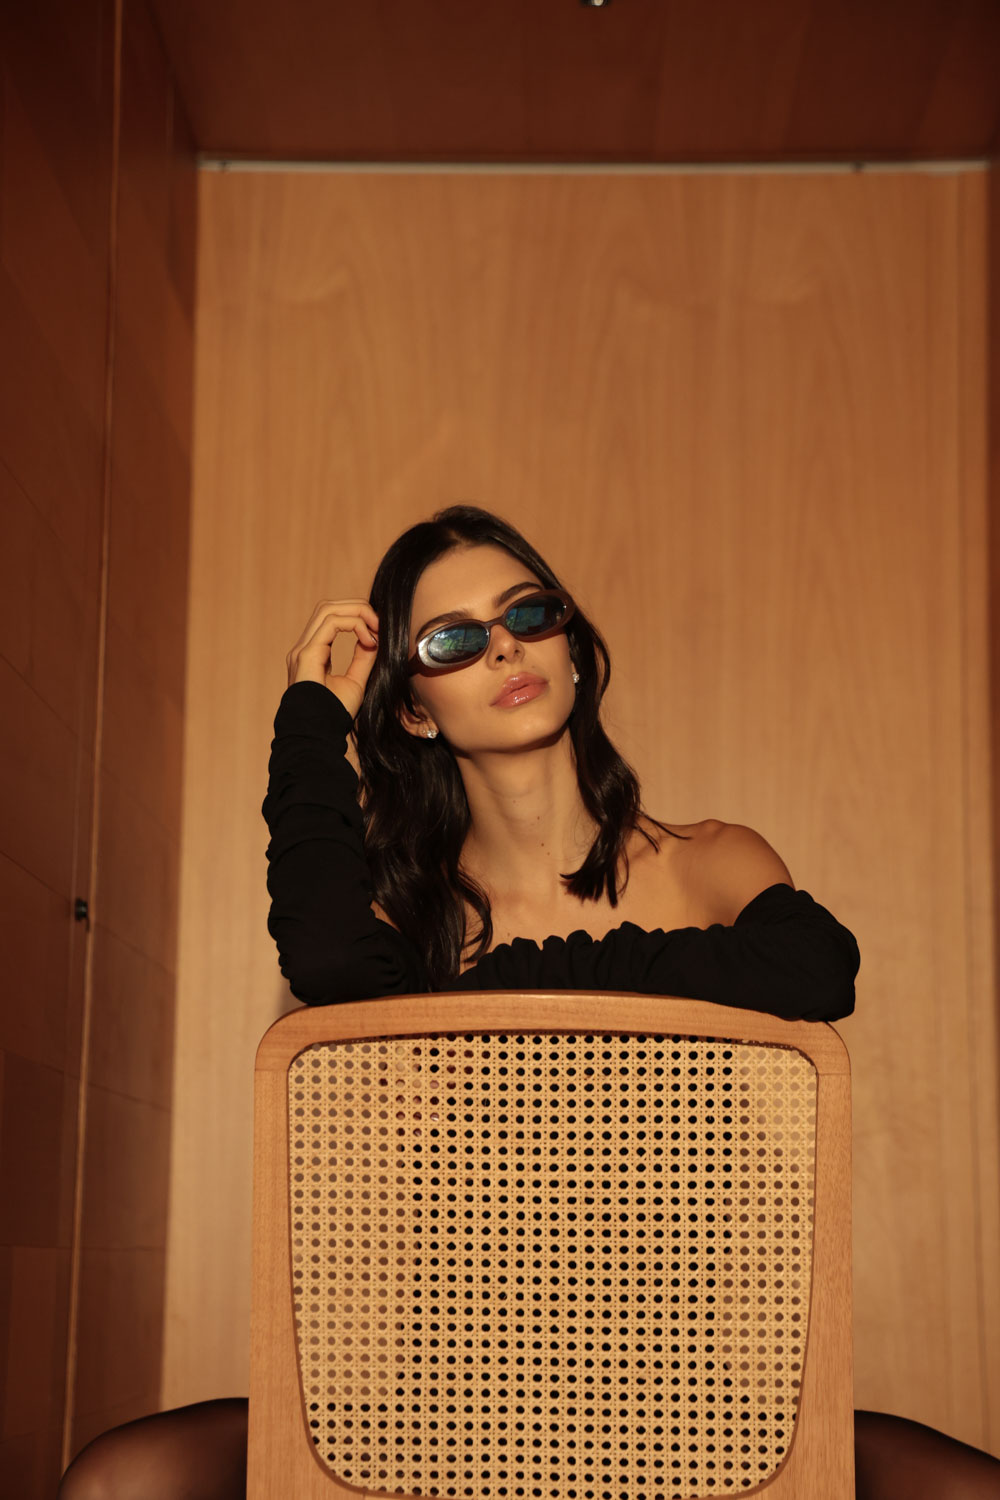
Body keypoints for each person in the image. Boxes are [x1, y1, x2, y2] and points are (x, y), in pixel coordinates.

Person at [59, 506, 1000, 1497]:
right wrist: (310, 719)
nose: (503, 646)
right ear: (414, 711)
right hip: (451, 1414)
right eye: (452, 641)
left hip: (686, 1415)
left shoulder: (711, 862)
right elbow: (326, 961)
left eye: (527, 614)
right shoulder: (403, 925)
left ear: (572, 651)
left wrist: (506, 989)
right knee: (122, 1478)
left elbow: (818, 968)